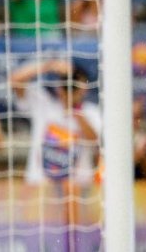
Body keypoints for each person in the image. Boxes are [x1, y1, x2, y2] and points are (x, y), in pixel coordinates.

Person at [8, 58, 103, 231]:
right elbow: (15, 80)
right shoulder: (44, 105)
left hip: (78, 197)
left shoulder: (91, 113)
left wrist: (74, 109)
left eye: (75, 85)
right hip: (41, 192)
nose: (71, 90)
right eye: (67, 84)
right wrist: (49, 65)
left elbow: (96, 141)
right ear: (59, 87)